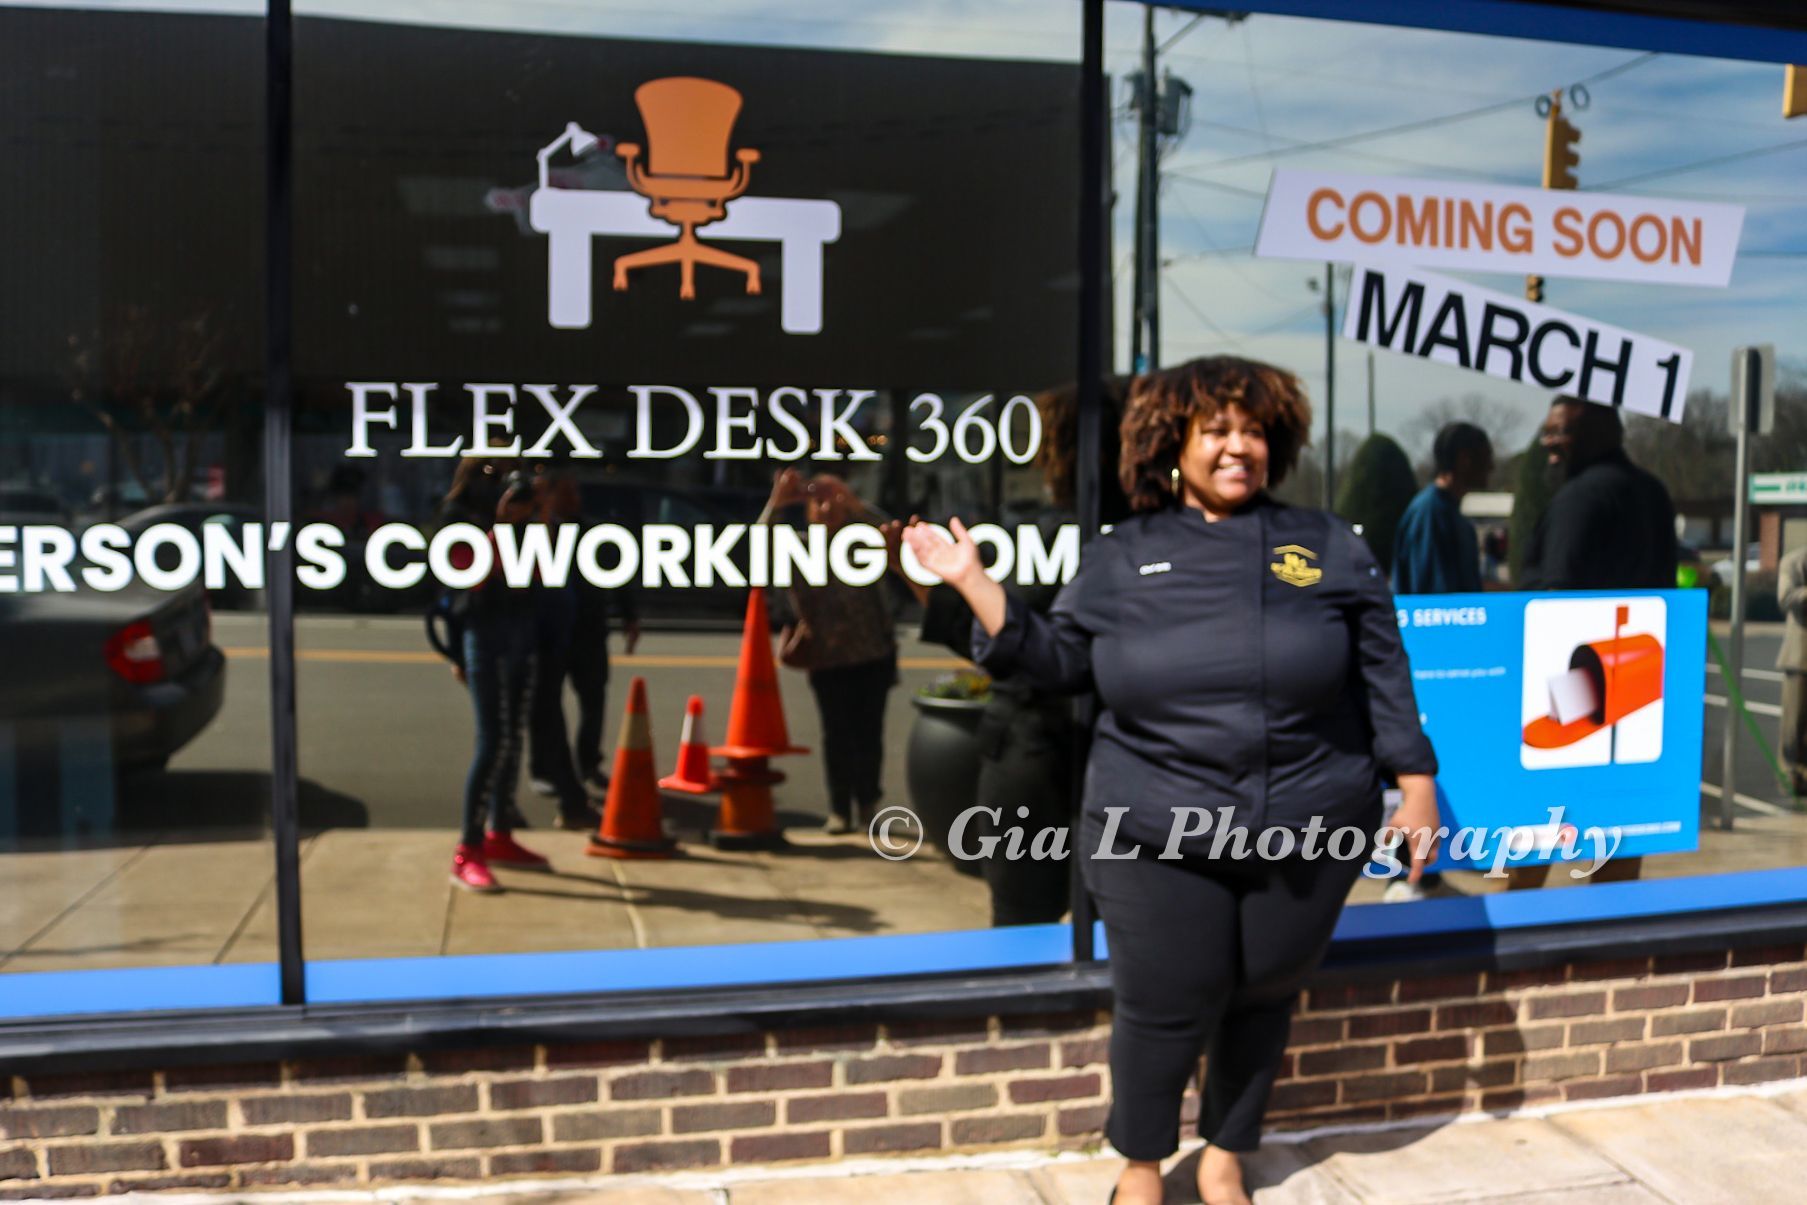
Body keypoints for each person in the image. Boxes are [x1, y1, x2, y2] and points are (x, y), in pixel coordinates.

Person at [904, 356, 1440, 1205]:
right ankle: (1141, 1169)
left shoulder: (1327, 545)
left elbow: (1383, 671)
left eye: (1254, 429)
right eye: (1217, 430)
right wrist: (971, 583)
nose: (1239, 448)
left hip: (1308, 824)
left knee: (1264, 994)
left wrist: (1414, 785)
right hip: (1154, 827)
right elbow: (1057, 659)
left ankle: (1226, 1158)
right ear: (1170, 445)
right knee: (1160, 1001)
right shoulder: (1123, 555)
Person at [890, 379, 1132, 926]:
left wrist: (937, 582)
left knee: (1023, 927)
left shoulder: (1048, 538)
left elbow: (995, 638)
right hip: (1092, 756)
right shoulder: (1143, 540)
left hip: (1035, 754)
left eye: (1048, 446)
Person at [1513, 395, 1676, 888]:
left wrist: (1559, 716)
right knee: (1618, 834)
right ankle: (1612, 937)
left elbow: (1556, 604)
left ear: (1601, 433)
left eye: (1561, 431)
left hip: (1572, 696)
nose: (1549, 444)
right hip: (1638, 695)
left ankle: (1520, 943)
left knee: (1534, 832)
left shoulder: (1580, 498)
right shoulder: (1654, 493)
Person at [1385, 421, 1492, 902]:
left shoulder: (1445, 512)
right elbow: (1435, 604)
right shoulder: (1431, 513)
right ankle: (1406, 877)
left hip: (1446, 671)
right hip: (1430, 671)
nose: (1491, 463)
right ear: (1465, 458)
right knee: (1420, 772)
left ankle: (1424, 872)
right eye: (1484, 454)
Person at [762, 468, 898, 835]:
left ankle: (867, 803)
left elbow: (894, 538)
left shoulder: (862, 541)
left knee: (870, 735)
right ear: (808, 510)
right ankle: (840, 809)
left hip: (873, 654)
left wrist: (856, 503)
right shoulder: (802, 548)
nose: (828, 508)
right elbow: (761, 544)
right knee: (836, 735)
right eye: (820, 502)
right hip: (827, 657)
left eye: (835, 501)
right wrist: (778, 502)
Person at [443, 469, 554, 893]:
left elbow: (543, 574)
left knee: (512, 741)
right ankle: (467, 851)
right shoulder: (465, 520)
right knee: (492, 741)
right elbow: (466, 580)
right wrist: (501, 528)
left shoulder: (530, 528)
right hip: (485, 638)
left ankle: (499, 834)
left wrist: (539, 518)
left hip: (521, 637)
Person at [1392, 422, 1493, 596]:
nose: (1491, 467)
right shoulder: (1430, 514)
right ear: (1464, 459)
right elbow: (1433, 598)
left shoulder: (1449, 512)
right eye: (1486, 457)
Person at [1777, 546, 1807, 796]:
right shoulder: (1794, 561)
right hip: (1800, 657)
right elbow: (1786, 597)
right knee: (1794, 724)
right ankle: (1791, 775)